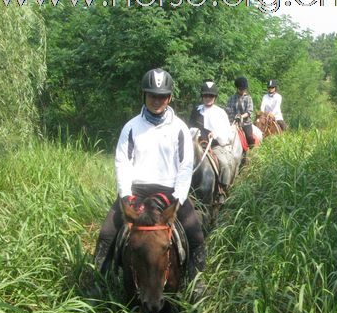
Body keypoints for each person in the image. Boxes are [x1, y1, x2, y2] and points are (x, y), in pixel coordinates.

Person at [93, 68, 206, 294]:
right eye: (152, 95)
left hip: (170, 192)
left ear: (170, 98)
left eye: (162, 96)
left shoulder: (180, 128)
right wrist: (126, 195)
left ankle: (196, 282)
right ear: (144, 95)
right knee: (107, 234)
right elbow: (122, 162)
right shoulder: (131, 127)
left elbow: (185, 166)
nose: (157, 100)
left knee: (196, 236)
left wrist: (177, 197)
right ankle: (100, 283)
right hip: (136, 190)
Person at [189, 81, 234, 203]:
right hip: (196, 144)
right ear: (202, 96)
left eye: (211, 96)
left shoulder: (220, 112)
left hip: (213, 145)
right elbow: (190, 127)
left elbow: (226, 131)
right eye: (205, 95)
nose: (208, 98)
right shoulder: (196, 110)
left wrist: (215, 134)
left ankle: (222, 190)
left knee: (224, 163)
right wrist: (194, 132)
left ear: (215, 97)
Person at [225, 76, 256, 148]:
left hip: (245, 122)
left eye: (243, 89)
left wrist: (241, 116)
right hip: (232, 122)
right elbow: (228, 108)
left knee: (249, 137)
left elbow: (249, 111)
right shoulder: (232, 98)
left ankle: (251, 152)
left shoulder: (248, 98)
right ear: (237, 88)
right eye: (240, 89)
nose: (242, 91)